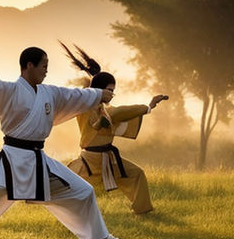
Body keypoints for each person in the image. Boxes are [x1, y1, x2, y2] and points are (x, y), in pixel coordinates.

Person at [0, 47, 125, 239]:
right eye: (44, 66)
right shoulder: (8, 91)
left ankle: (97, 237)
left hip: (39, 161)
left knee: (82, 190)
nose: (46, 71)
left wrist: (98, 94)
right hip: (12, 162)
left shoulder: (49, 93)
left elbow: (74, 96)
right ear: (29, 66)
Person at [60, 43, 168, 216]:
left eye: (113, 91)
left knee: (136, 174)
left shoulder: (102, 107)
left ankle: (143, 212)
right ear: (99, 90)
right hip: (90, 161)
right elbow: (116, 113)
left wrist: (149, 107)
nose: (111, 95)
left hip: (109, 159)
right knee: (67, 185)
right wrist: (147, 107)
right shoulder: (84, 105)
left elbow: (116, 114)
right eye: (110, 90)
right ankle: (68, 216)